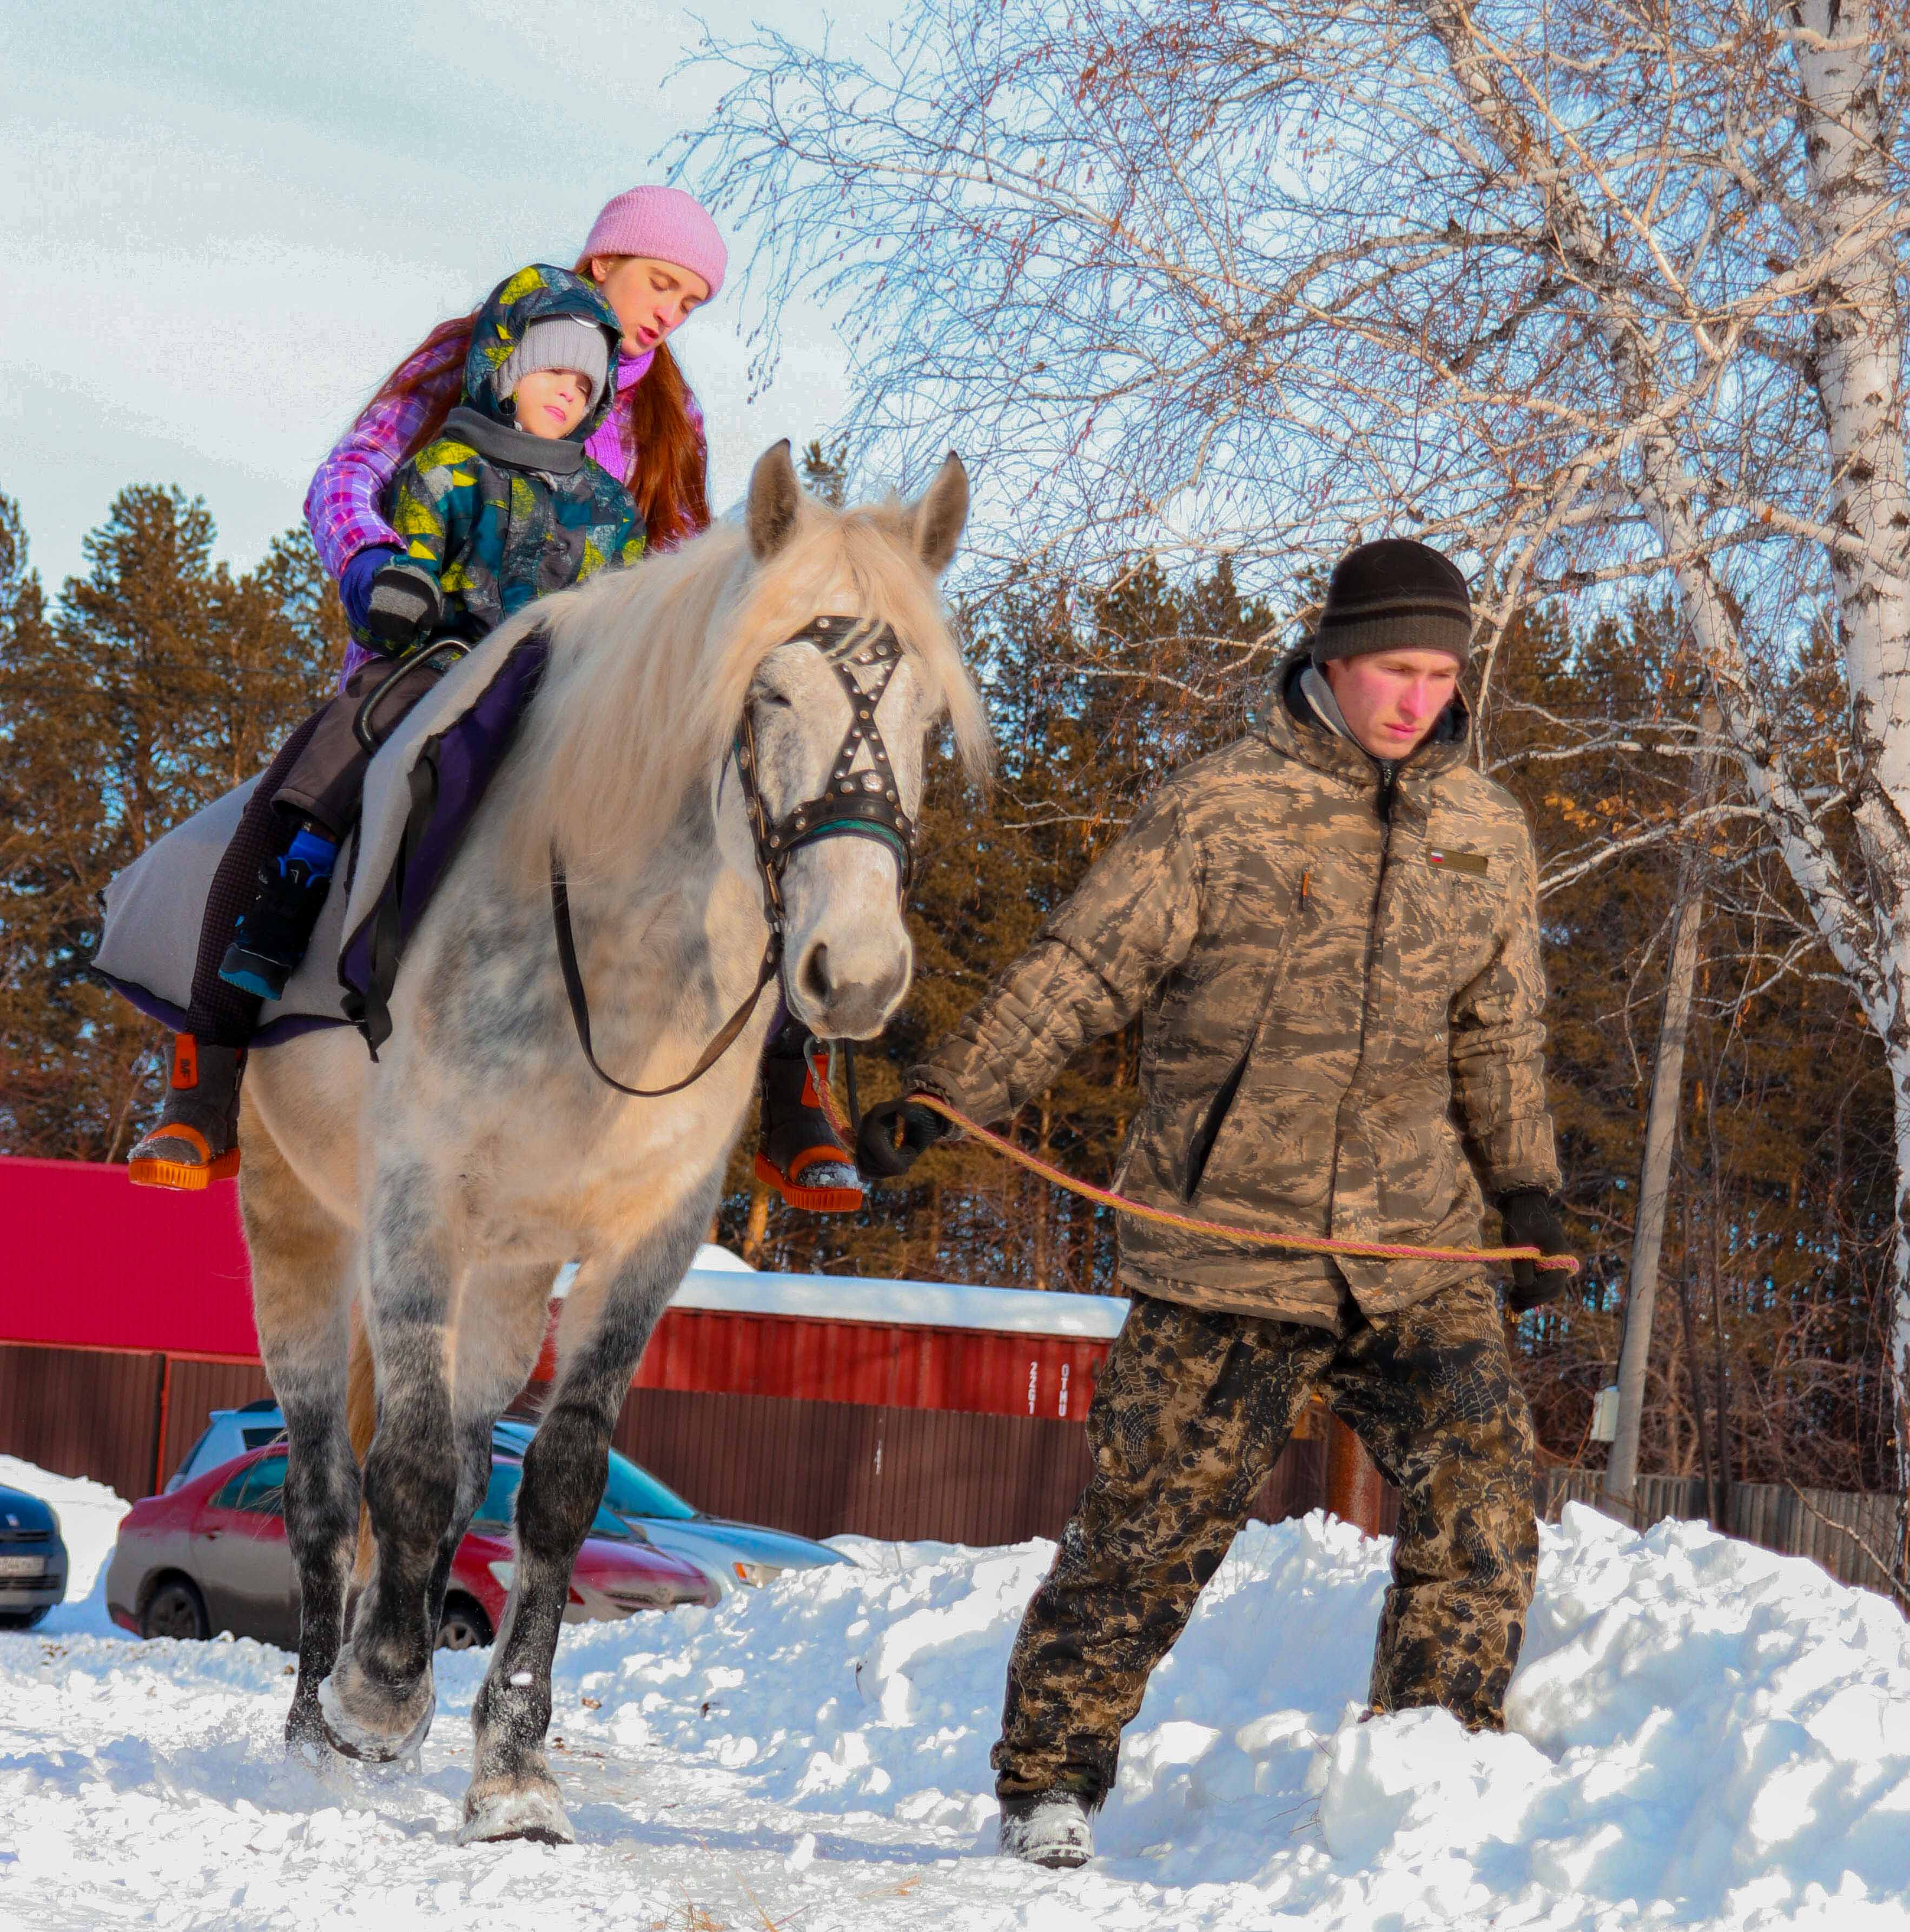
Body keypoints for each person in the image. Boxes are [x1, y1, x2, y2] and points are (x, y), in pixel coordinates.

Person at [857, 539, 1575, 1869]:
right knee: (1144, 1531)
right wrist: (952, 1092)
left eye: (1438, 672)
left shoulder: (1486, 833)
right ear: (1332, 658)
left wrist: (1525, 1187)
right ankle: (1047, 1782)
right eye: (1391, 669)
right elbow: (1084, 966)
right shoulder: (1218, 809)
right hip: (1222, 1248)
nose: (1416, 699)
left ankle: (1426, 1769)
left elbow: (1500, 1033)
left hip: (1409, 1244)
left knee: (1482, 1496)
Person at [129, 188, 858, 1209]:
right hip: (431, 651)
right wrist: (377, 566)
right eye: (661, 283)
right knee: (313, 783)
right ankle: (207, 1079)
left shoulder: (663, 411)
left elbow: (674, 554)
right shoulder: (469, 355)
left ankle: (793, 1084)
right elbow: (353, 471)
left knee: (750, 806)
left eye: (692, 302)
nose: (669, 315)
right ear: (606, 259)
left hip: (581, 685)